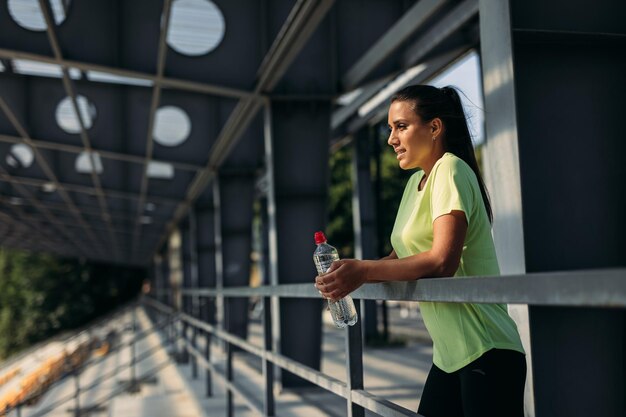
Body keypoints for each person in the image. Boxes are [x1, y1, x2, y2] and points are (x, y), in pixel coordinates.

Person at [315, 85, 526, 417]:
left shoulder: (451, 170)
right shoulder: (415, 186)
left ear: (434, 127)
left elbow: (442, 261)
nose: (391, 139)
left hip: (487, 349)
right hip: (448, 355)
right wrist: (348, 275)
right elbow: (398, 260)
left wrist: (365, 270)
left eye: (401, 126)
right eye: (389, 129)